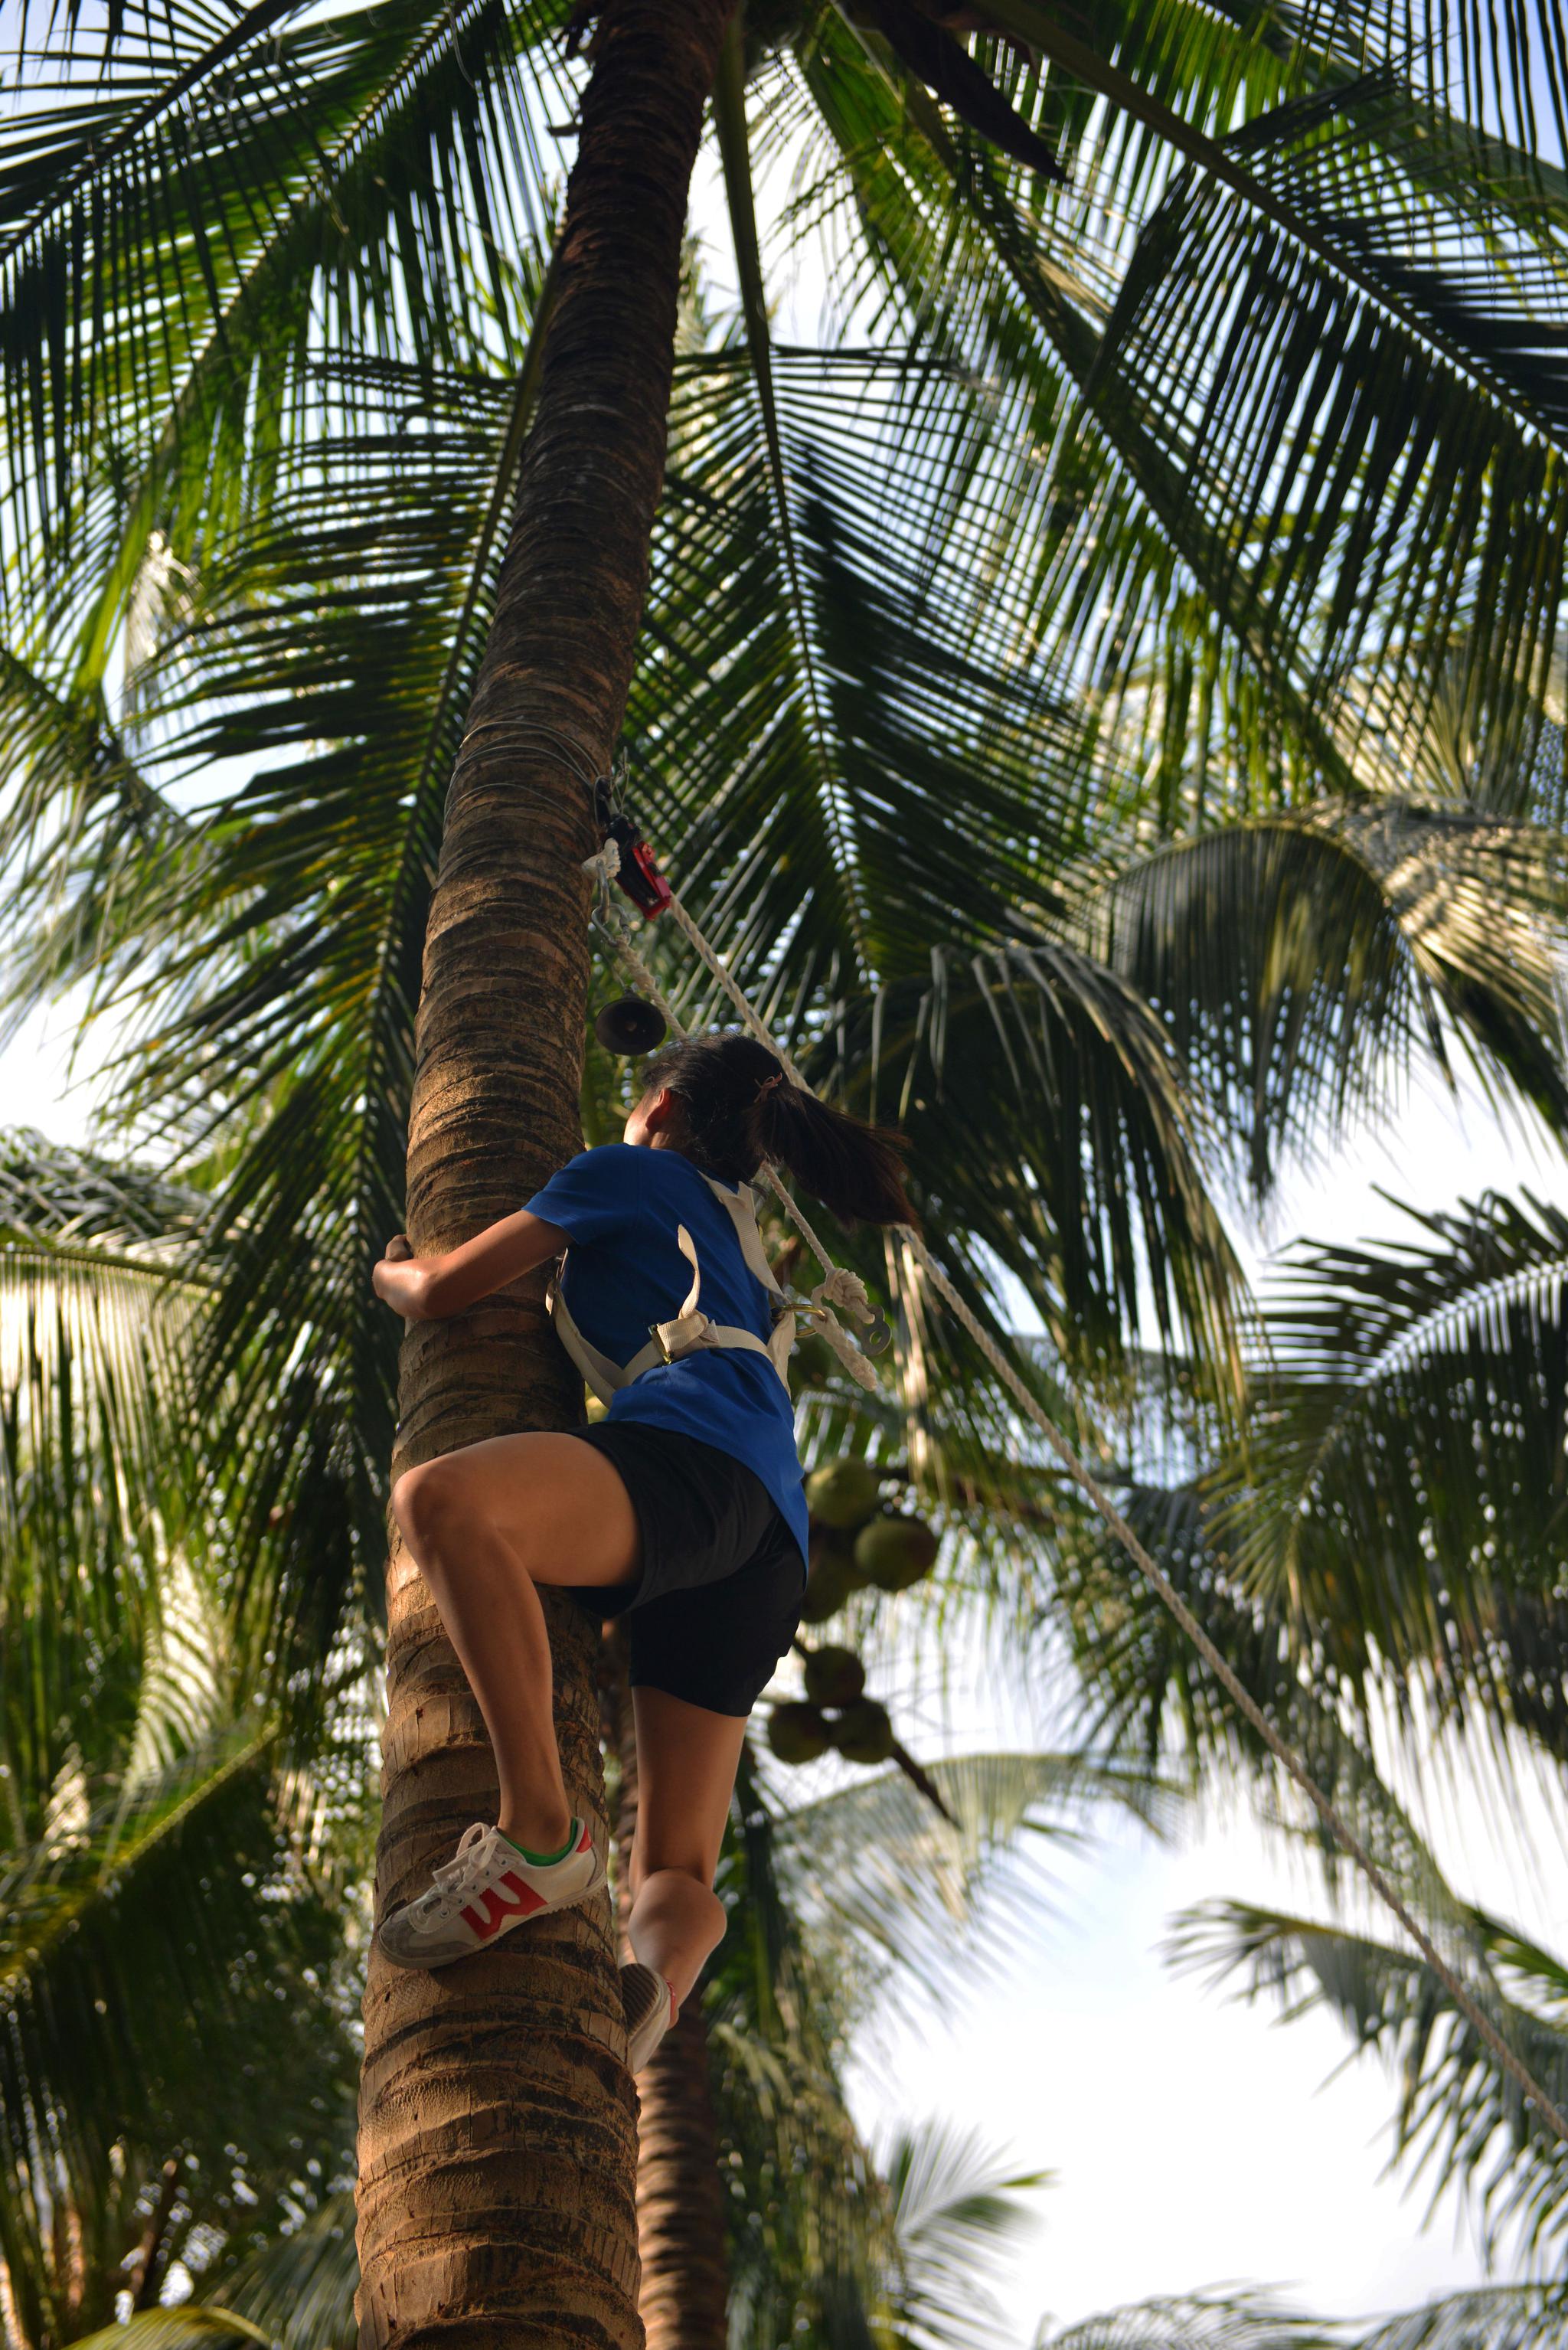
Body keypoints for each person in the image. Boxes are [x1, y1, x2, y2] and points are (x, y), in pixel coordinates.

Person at [369, 1030, 913, 2073]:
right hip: (772, 1541)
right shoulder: (739, 1233)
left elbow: (444, 1290)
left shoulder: (626, 1171)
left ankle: (540, 1833)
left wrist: (395, 1272)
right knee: (674, 1863)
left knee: (442, 1502)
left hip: (693, 1461)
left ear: (660, 1107)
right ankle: (657, 1982)